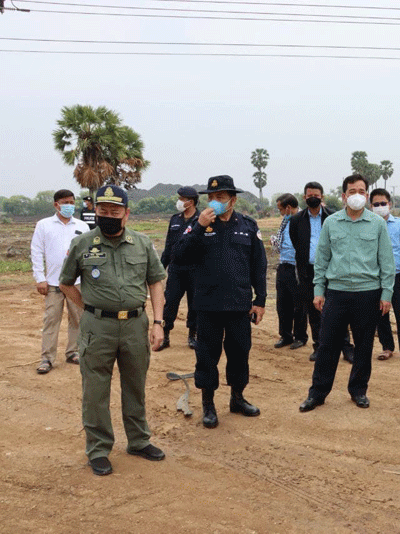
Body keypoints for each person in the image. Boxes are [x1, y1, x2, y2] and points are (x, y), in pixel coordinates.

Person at [59, 184, 167, 476]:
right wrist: (90, 307)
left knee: (135, 386)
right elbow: (66, 283)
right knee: (95, 391)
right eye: (103, 210)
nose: (108, 216)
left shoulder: (142, 243)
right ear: (96, 211)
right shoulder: (82, 243)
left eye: (114, 212)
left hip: (135, 325)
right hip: (97, 328)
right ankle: (98, 449)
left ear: (126, 214)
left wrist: (158, 322)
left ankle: (139, 441)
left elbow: (155, 282)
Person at [172, 175, 267, 429]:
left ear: (232, 200)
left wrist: (260, 300)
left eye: (220, 197)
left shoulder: (247, 226)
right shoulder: (198, 225)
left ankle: (237, 398)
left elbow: (259, 266)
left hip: (239, 304)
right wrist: (199, 226)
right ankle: (209, 404)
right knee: (207, 356)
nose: (214, 201)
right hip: (208, 304)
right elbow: (178, 255)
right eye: (211, 197)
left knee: (239, 353)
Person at [298, 174, 394, 412]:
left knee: (363, 346)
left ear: (367, 195)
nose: (357, 196)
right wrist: (319, 290)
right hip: (336, 293)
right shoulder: (331, 223)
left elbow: (387, 262)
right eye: (352, 191)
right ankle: (317, 393)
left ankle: (358, 390)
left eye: (361, 191)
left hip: (368, 293)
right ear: (343, 196)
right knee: (327, 345)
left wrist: (386, 294)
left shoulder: (377, 224)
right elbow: (322, 259)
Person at [289, 182, 355, 363]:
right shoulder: (296, 220)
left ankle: (346, 348)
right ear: (304, 197)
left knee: (339, 310)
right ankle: (319, 347)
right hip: (308, 271)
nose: (313, 198)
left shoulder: (333, 217)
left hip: (333, 270)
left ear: (322, 197)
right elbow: (296, 243)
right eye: (309, 195)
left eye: (316, 195)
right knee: (314, 311)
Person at [31, 189, 90, 374]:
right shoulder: (44, 225)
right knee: (51, 320)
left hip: (76, 282)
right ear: (56, 205)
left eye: (72, 202)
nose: (69, 206)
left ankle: (73, 352)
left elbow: (88, 253)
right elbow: (36, 251)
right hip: (53, 283)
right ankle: (47, 358)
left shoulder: (82, 226)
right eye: (65, 203)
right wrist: (40, 278)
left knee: (78, 319)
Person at [371, 188, 400, 363]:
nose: (380, 207)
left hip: (398, 276)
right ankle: (387, 347)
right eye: (376, 204)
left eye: (383, 203)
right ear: (371, 206)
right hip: (376, 277)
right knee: (380, 314)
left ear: (389, 204)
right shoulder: (368, 225)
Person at [156, 186, 200, 351]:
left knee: (194, 303)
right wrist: (161, 267)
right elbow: (168, 246)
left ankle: (193, 335)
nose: (179, 202)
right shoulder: (175, 219)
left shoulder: (200, 220)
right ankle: (165, 335)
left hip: (195, 269)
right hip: (176, 269)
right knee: (170, 302)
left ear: (191, 202)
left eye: (182, 199)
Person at [272, 193, 307, 349]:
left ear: (288, 207)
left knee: (298, 305)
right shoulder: (285, 221)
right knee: (282, 304)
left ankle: (300, 336)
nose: (280, 212)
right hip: (283, 265)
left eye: (280, 209)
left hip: (297, 268)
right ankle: (285, 335)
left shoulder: (303, 220)